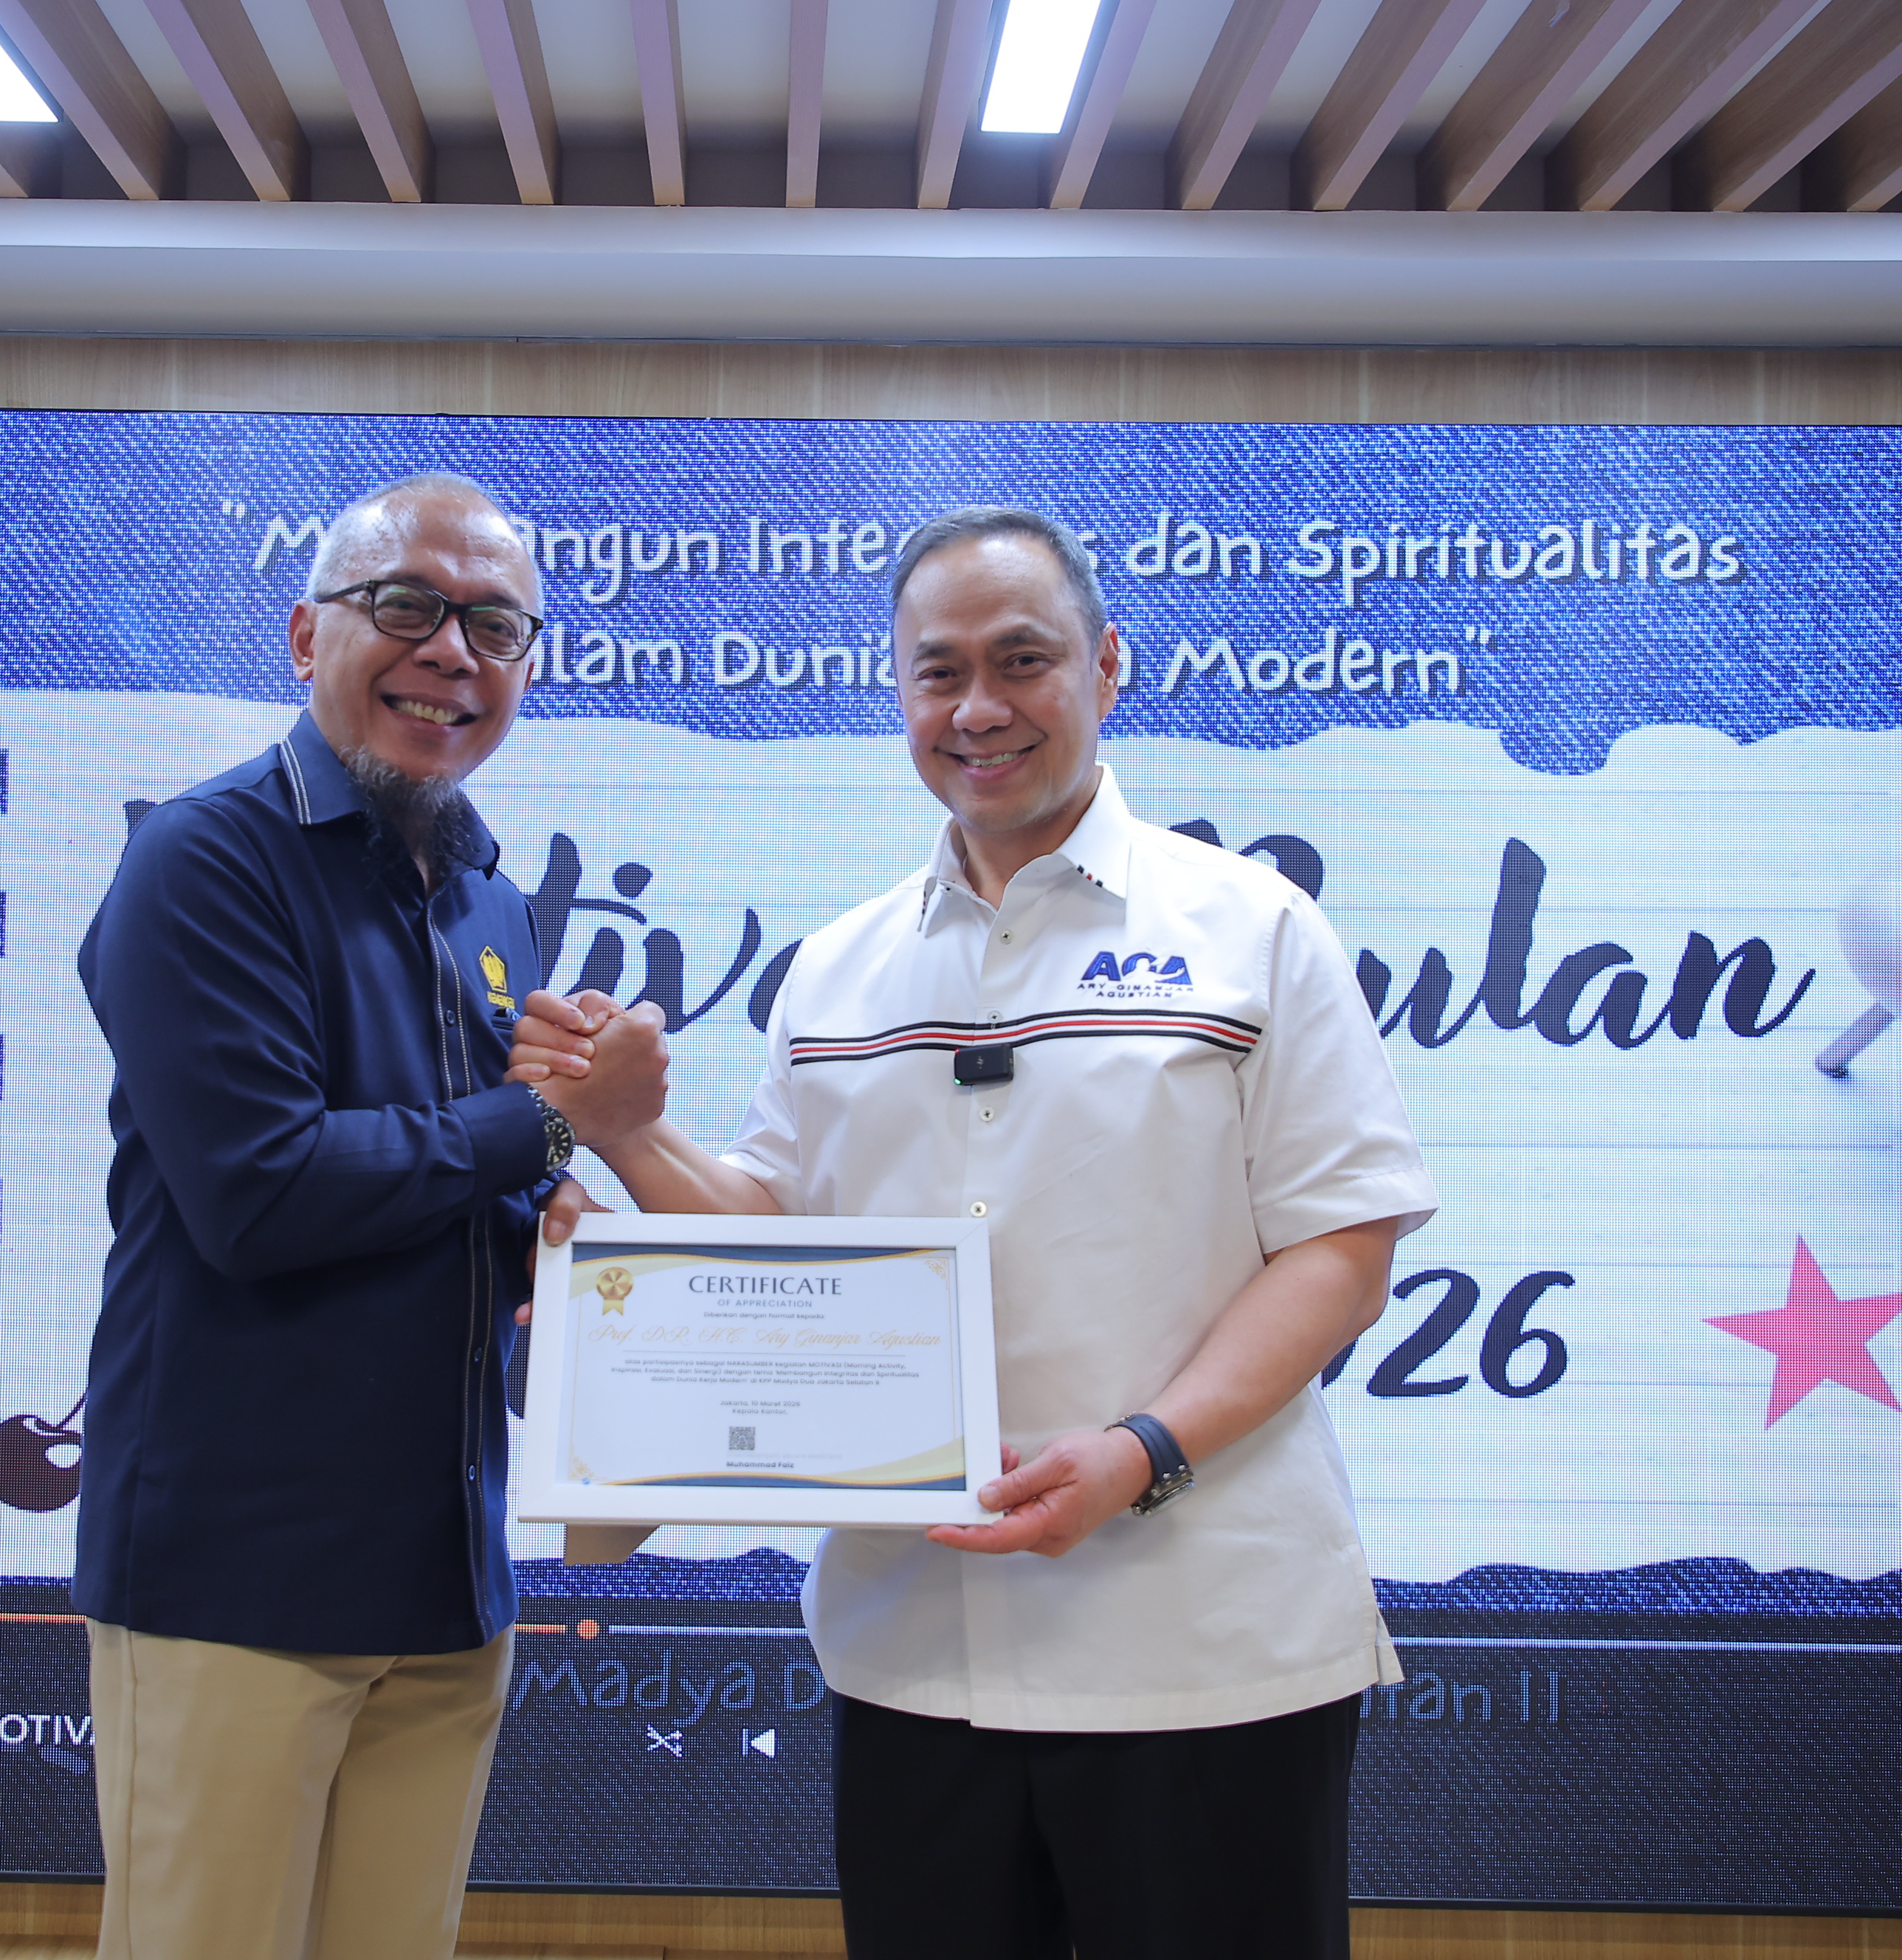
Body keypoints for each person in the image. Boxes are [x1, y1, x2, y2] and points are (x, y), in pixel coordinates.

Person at [508, 506, 1438, 1959]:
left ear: (1107, 666)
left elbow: (1341, 1250)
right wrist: (621, 1131)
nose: (978, 707)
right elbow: (772, 1250)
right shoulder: (838, 968)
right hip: (913, 1655)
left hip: (1203, 1648)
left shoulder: (1254, 929)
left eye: (1022, 660)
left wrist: (1143, 1450)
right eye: (938, 672)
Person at [74, 473, 662, 1960]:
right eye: (407, 604)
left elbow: (458, 1183)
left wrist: (556, 1229)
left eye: (495, 625)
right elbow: (261, 1190)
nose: (451, 650)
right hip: (237, 1584)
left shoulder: (486, 895)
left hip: (446, 1581)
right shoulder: (205, 858)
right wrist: (552, 1121)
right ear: (305, 635)